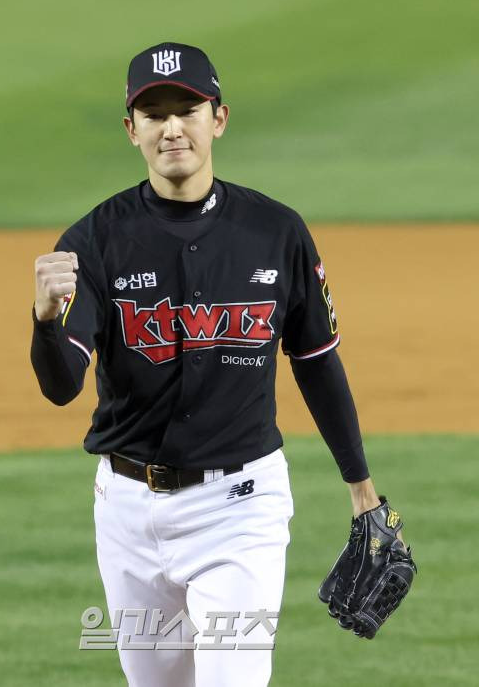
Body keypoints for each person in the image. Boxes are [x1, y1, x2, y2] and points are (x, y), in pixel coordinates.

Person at [30, 42, 403, 687]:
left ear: (218, 119)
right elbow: (63, 384)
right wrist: (41, 322)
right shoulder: (93, 241)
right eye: (154, 114)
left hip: (241, 508)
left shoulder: (275, 231)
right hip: (127, 513)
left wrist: (362, 491)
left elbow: (316, 361)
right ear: (132, 130)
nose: (173, 127)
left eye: (188, 110)